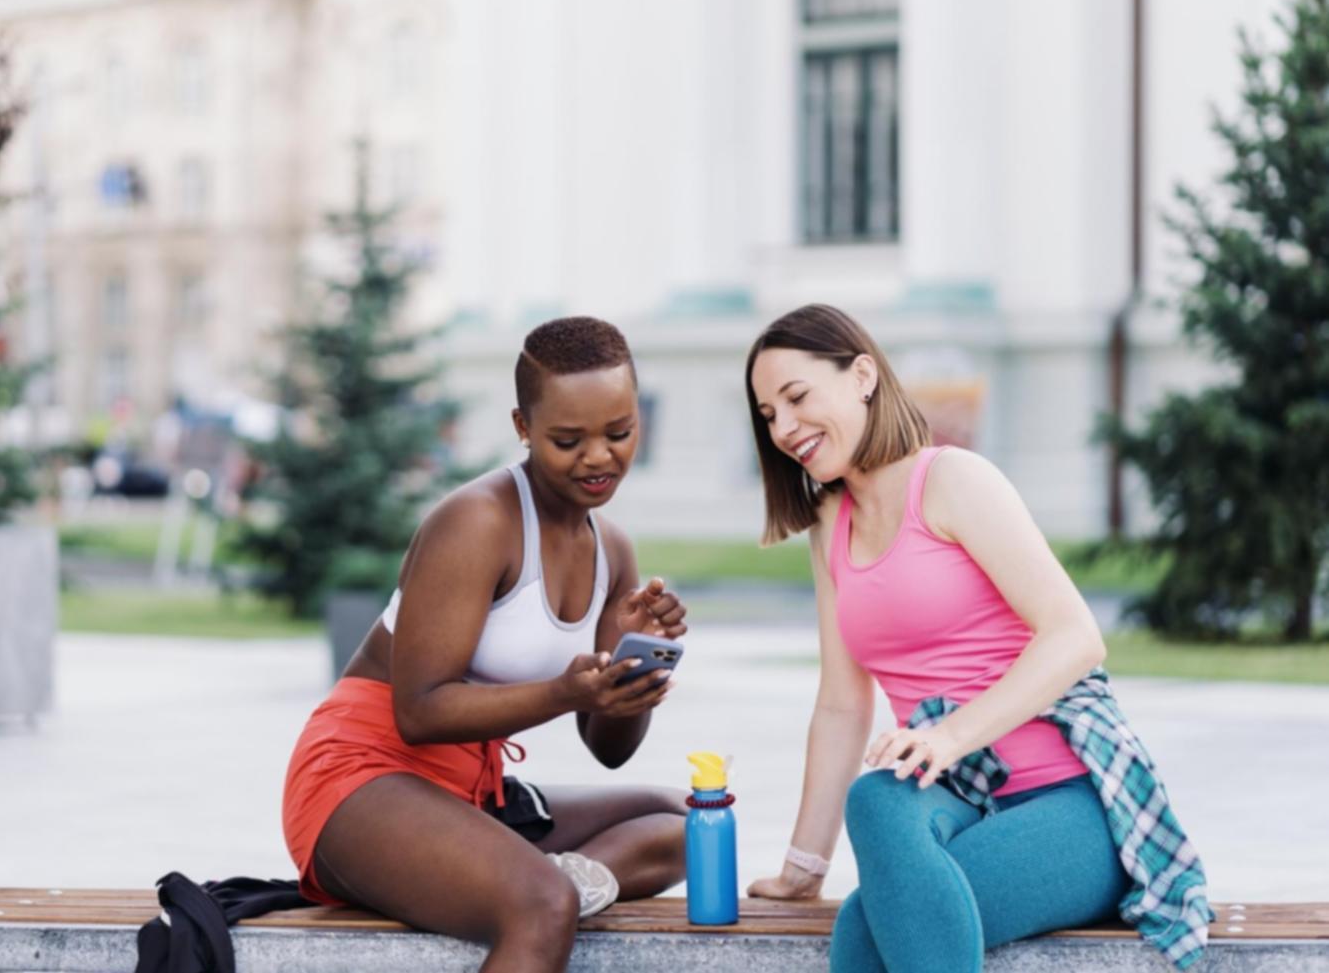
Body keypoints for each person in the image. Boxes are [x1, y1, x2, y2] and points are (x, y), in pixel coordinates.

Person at [742, 305, 1212, 973]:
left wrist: (946, 737)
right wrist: (801, 867)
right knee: (875, 798)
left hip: (1068, 804)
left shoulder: (953, 480)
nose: (784, 428)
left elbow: (1075, 636)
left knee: (868, 929)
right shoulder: (830, 526)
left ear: (862, 375)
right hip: (963, 803)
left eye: (795, 398)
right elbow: (841, 706)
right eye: (767, 415)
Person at [282, 316, 690, 973]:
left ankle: (547, 878)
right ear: (522, 427)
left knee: (691, 821)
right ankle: (537, 890)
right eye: (567, 439)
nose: (597, 457)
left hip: (472, 792)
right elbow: (418, 712)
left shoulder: (611, 549)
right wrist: (565, 691)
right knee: (540, 906)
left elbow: (609, 748)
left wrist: (631, 671)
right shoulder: (476, 521)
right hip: (360, 781)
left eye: (619, 432)